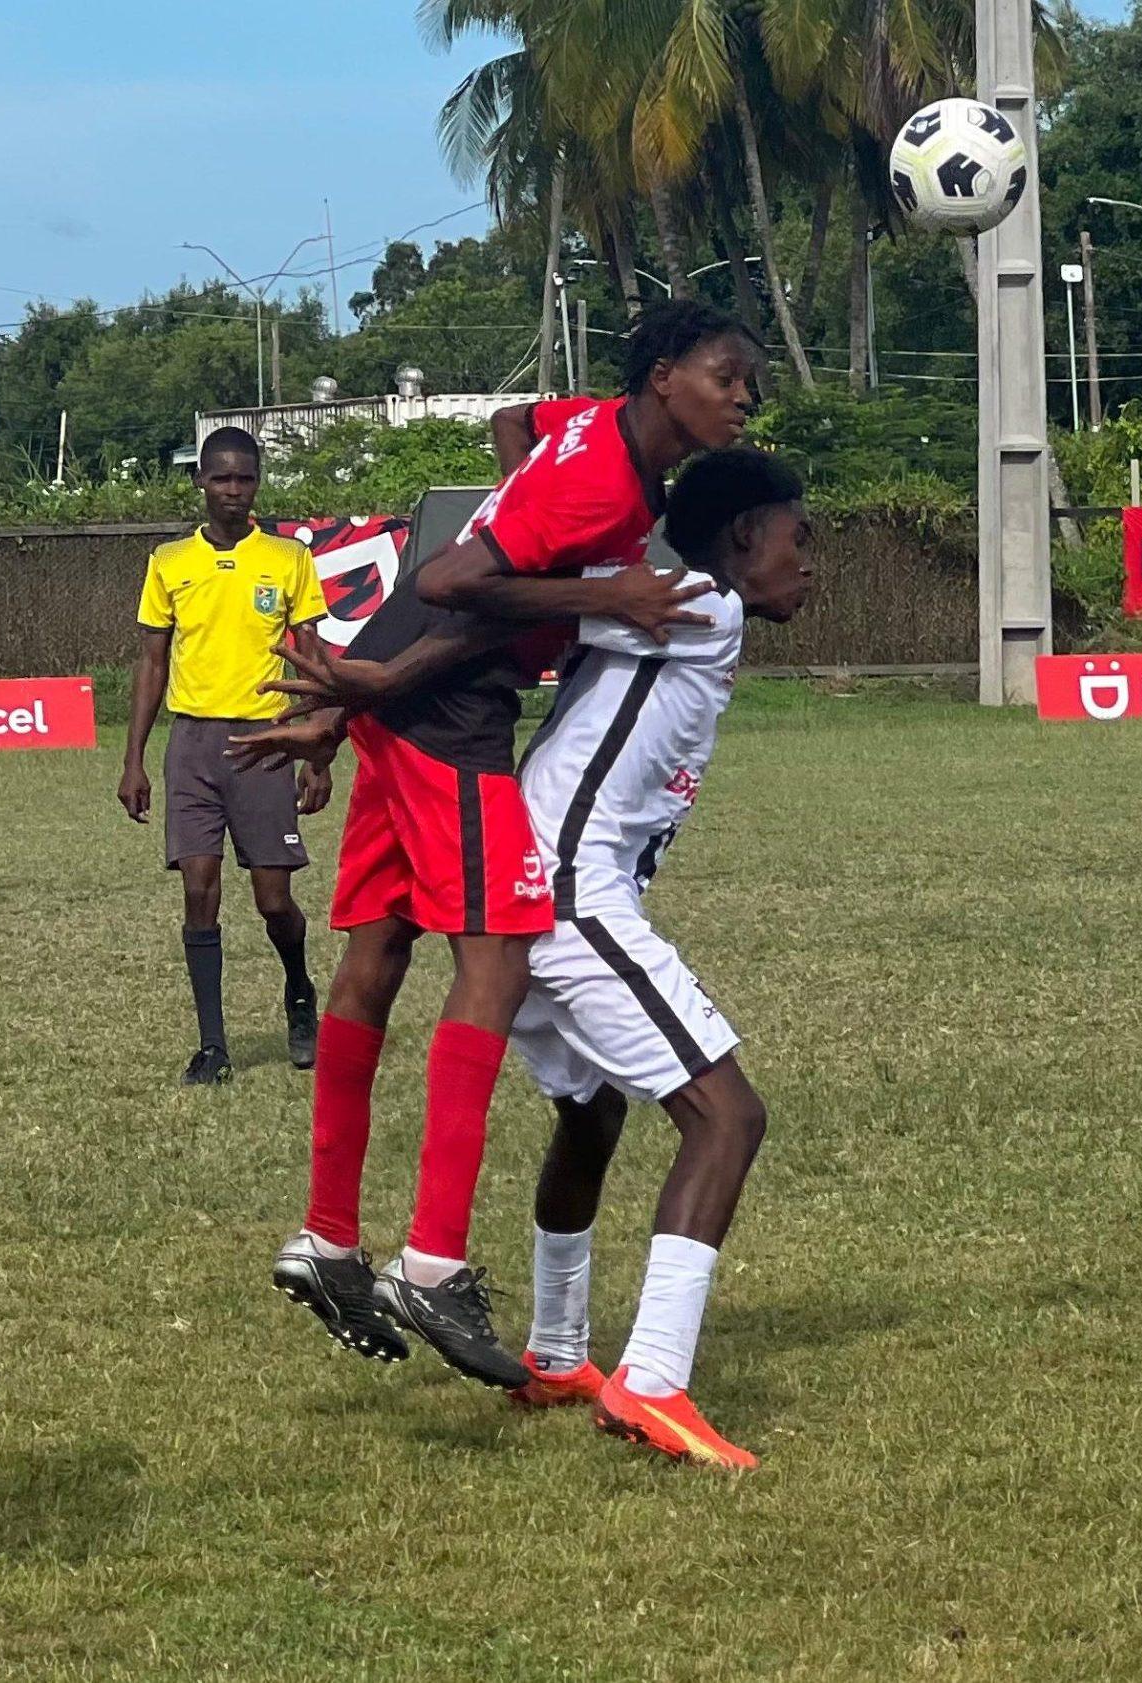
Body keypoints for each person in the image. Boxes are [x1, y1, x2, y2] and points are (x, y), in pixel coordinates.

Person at [242, 300, 760, 1390]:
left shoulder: (596, 428)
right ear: (664, 376)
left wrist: (360, 697)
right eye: (726, 375)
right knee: (498, 954)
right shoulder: (609, 482)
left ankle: (328, 1239)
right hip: (449, 708)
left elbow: (519, 424)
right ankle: (430, 1262)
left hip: (399, 695)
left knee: (377, 956)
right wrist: (597, 590)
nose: (744, 395)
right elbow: (449, 583)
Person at [500, 448, 812, 1470]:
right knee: (728, 1116)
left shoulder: (659, 603)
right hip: (565, 892)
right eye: (795, 538)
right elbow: (493, 586)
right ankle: (653, 1381)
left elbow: (531, 599)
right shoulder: (693, 602)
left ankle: (555, 1353)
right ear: (739, 540)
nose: (807, 563)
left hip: (528, 890)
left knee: (589, 1112)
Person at [120, 427, 333, 1085]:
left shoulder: (288, 559)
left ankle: (299, 986)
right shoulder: (169, 561)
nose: (233, 490)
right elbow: (153, 662)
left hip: (266, 740)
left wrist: (317, 748)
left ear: (256, 483)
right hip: (193, 743)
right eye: (221, 478)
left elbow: (313, 659)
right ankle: (213, 1048)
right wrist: (134, 759)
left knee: (273, 900)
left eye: (245, 478)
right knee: (198, 886)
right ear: (200, 482)